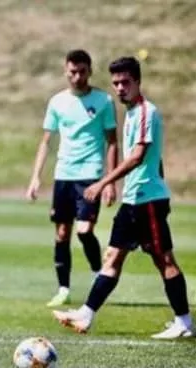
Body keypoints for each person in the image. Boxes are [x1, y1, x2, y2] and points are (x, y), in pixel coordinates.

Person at [52, 56, 193, 339]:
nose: (119, 88)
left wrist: (104, 182)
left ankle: (184, 323)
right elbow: (154, 159)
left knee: (164, 260)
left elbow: (137, 157)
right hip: (133, 200)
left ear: (138, 81)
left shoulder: (146, 112)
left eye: (125, 82)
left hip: (147, 201)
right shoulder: (130, 113)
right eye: (115, 83)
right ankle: (86, 315)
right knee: (113, 257)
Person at [26, 49, 118, 307]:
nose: (77, 77)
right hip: (64, 175)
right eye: (73, 72)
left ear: (90, 71)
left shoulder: (103, 101)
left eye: (82, 71)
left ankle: (98, 273)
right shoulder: (57, 102)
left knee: (84, 230)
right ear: (66, 71)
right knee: (62, 233)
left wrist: (110, 181)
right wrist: (35, 177)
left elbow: (112, 142)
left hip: (90, 175)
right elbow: (46, 141)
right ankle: (63, 289)